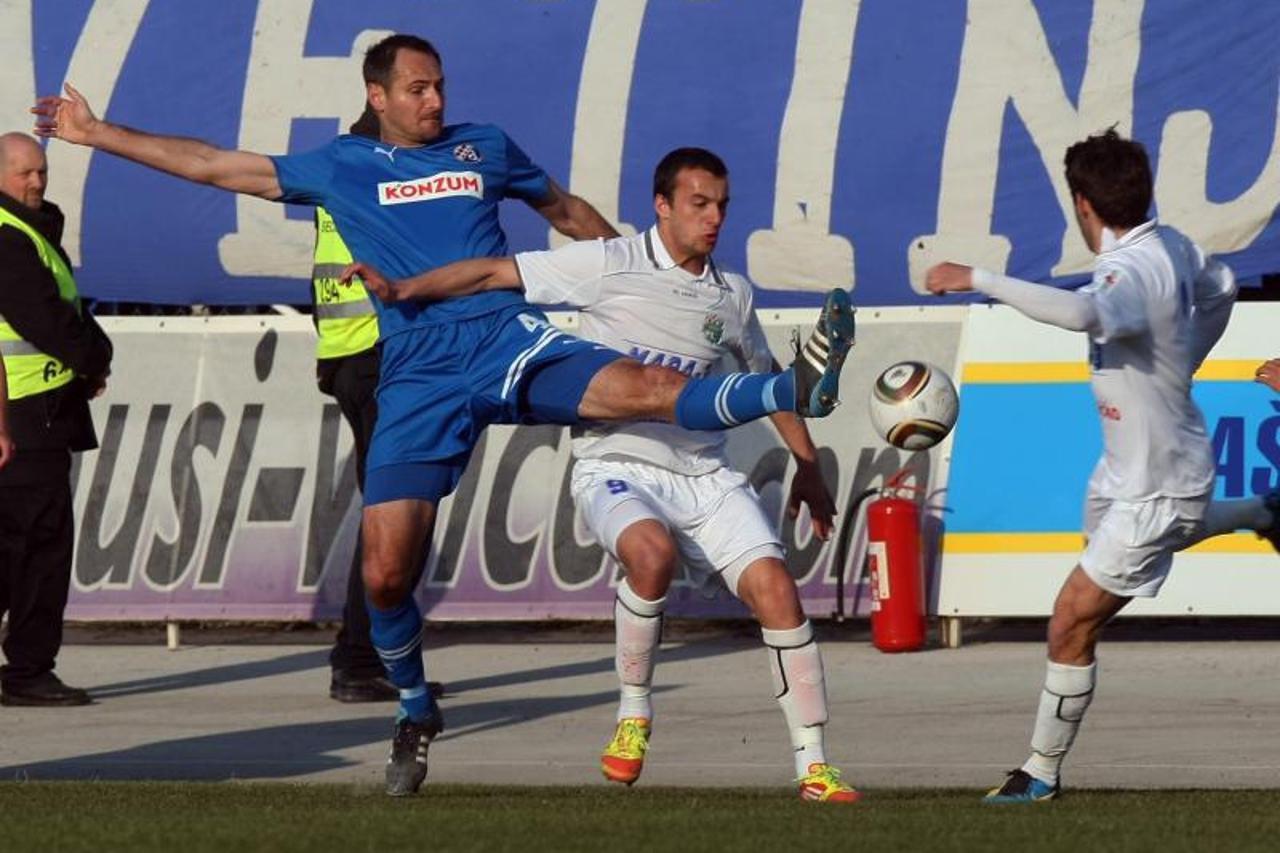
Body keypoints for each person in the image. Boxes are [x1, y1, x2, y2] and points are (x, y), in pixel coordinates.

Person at [33, 34, 853, 795]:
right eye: (418, 89)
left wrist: (643, 282)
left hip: (505, 337)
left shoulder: (484, 147)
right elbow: (213, 164)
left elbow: (567, 215)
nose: (434, 100)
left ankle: (792, 388)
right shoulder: (340, 164)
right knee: (387, 571)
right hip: (418, 373)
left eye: (439, 87)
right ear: (378, 95)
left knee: (641, 381)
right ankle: (416, 705)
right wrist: (96, 132)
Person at [350, 147, 860, 802]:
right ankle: (632, 716)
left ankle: (815, 766)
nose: (714, 219)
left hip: (704, 471)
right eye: (700, 204)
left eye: (723, 206)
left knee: (778, 593)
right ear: (663, 205)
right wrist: (405, 290)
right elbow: (491, 272)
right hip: (617, 464)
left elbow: (761, 379)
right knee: (650, 555)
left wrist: (808, 466)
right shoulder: (606, 263)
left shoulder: (732, 294)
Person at [925, 129, 1280, 802]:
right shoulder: (1173, 243)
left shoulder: (1126, 271)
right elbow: (1224, 284)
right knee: (1104, 581)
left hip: (1160, 479)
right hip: (1128, 469)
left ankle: (1040, 772)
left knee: (1070, 618)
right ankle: (1261, 510)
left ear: (1082, 205)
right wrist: (1185, 356)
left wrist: (980, 280)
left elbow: (1087, 310)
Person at [309, 109, 442, 704]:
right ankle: (362, 659)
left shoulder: (338, 172)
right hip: (381, 355)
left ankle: (376, 658)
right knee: (397, 517)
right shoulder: (376, 175)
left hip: (352, 356)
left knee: (394, 513)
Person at [0, 132, 112, 706]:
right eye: (24, 173)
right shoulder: (9, 239)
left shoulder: (30, 233)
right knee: (39, 549)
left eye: (41, 171)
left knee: (15, 549)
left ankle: (25, 669)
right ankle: (27, 673)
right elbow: (47, 319)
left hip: (31, 413)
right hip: (26, 417)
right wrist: (97, 358)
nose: (37, 182)